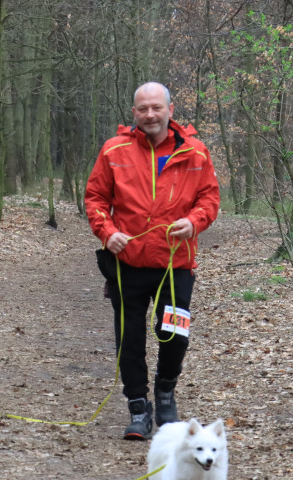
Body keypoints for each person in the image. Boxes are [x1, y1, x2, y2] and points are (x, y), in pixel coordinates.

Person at [85, 82, 220, 440]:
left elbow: (209, 199)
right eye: (143, 108)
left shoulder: (196, 152)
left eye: (156, 108)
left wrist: (193, 222)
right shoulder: (114, 150)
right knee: (129, 340)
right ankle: (137, 408)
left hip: (177, 265)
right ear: (134, 113)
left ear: (170, 110)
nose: (150, 114)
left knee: (174, 335)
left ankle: (165, 394)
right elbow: (96, 198)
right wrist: (106, 231)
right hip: (127, 264)